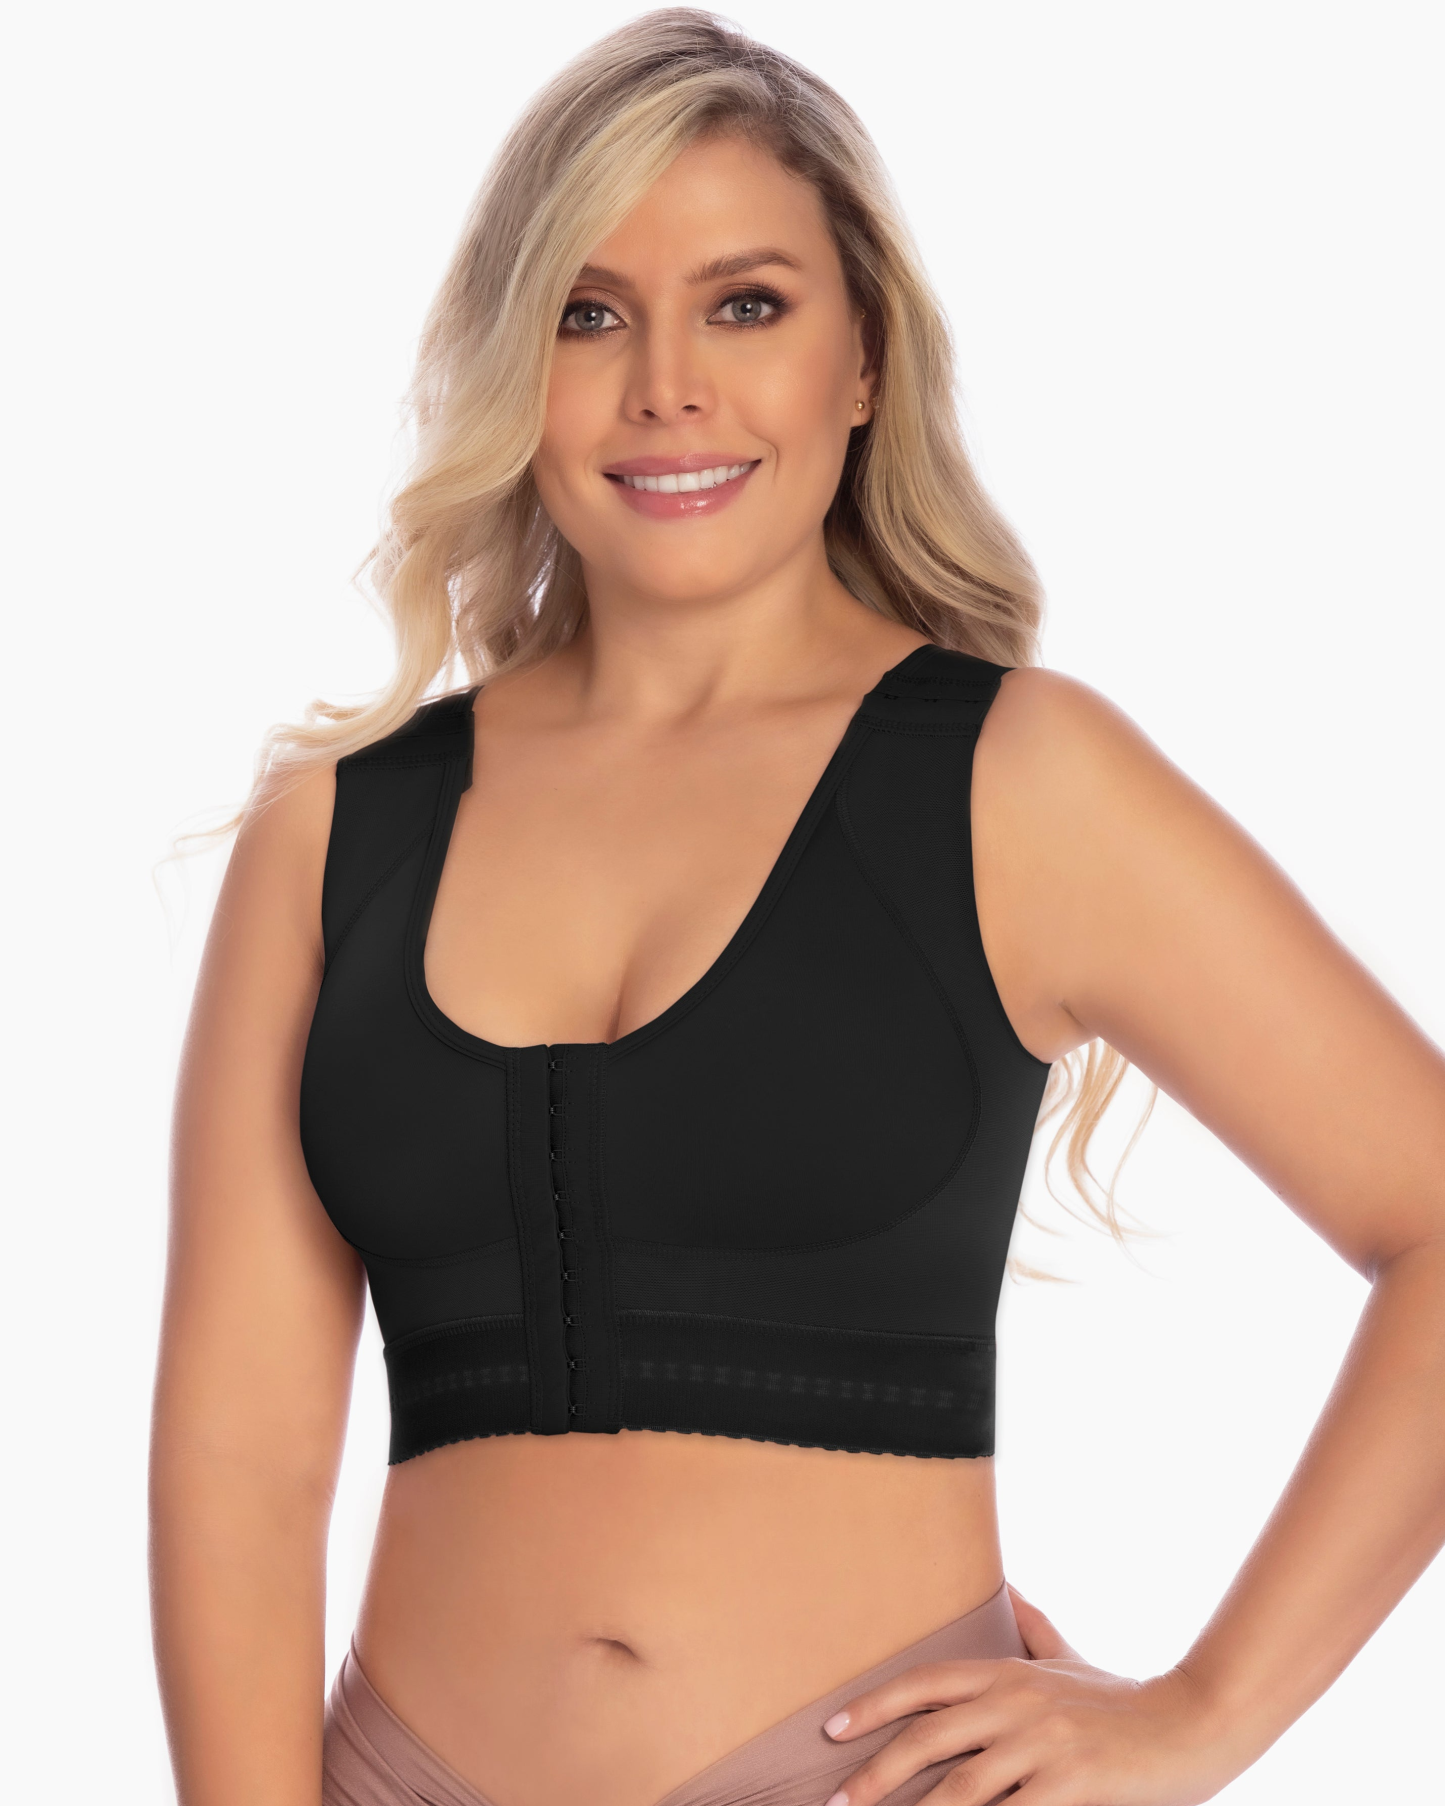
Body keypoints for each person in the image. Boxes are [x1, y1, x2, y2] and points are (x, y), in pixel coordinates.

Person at [149, 11, 1445, 1806]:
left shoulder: (1020, 782)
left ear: (863, 360)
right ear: (514, 366)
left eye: (746, 305)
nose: (666, 386)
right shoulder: (334, 836)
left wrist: (1205, 1711)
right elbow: (238, 1453)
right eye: (589, 314)